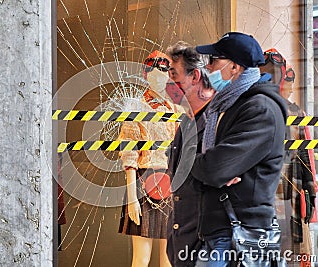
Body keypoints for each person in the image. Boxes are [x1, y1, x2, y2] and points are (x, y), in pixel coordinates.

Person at [191, 32, 287, 266]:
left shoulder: (260, 109)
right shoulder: (222, 107)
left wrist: (205, 167)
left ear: (234, 67)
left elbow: (213, 168)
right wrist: (208, 168)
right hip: (217, 229)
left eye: (214, 60)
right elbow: (198, 163)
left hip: (242, 234)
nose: (209, 67)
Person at [118, 50, 183, 267]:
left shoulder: (175, 109)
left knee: (168, 255)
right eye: (155, 75)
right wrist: (131, 197)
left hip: (170, 182)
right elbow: (129, 155)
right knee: (141, 256)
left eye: (164, 75)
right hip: (143, 180)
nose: (160, 80)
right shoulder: (136, 108)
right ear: (146, 76)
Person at [260, 48, 317, 266]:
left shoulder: (296, 113)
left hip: (290, 186)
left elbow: (305, 155)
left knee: (290, 250)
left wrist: (310, 192)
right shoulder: (254, 106)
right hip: (261, 189)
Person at [164, 41, 215, 267]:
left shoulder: (219, 121)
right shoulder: (186, 122)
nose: (170, 84)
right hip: (181, 242)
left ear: (195, 77)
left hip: (206, 244)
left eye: (175, 75)